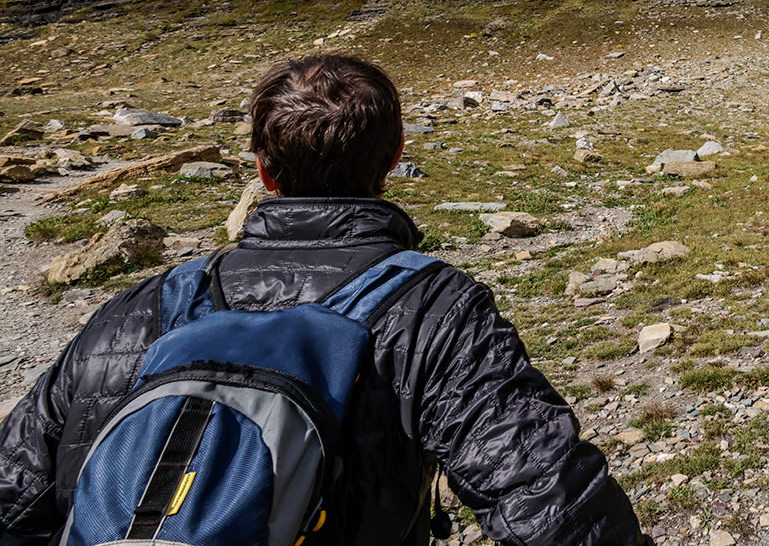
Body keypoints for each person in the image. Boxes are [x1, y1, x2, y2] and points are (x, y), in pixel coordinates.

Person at [0, 53, 647, 546]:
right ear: (393, 156)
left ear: (262, 170)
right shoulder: (432, 308)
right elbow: (549, 498)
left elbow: (16, 492)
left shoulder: (138, 309)